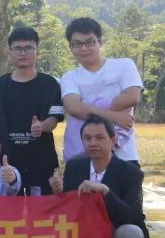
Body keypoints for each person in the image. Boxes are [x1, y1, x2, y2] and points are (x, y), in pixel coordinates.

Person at [0, 27, 63, 196]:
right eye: (17, 48)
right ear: (9, 53)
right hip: (6, 159)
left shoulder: (50, 84)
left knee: (40, 206)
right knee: (8, 207)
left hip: (41, 158)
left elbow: (54, 118)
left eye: (28, 48)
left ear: (38, 52)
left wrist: (42, 126)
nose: (23, 53)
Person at [59, 17, 144, 165]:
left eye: (89, 42)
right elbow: (74, 108)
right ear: (70, 47)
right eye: (77, 44)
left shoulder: (124, 65)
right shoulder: (69, 77)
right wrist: (115, 116)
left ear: (100, 42)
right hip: (84, 159)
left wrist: (87, 108)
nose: (83, 48)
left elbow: (133, 97)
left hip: (124, 156)